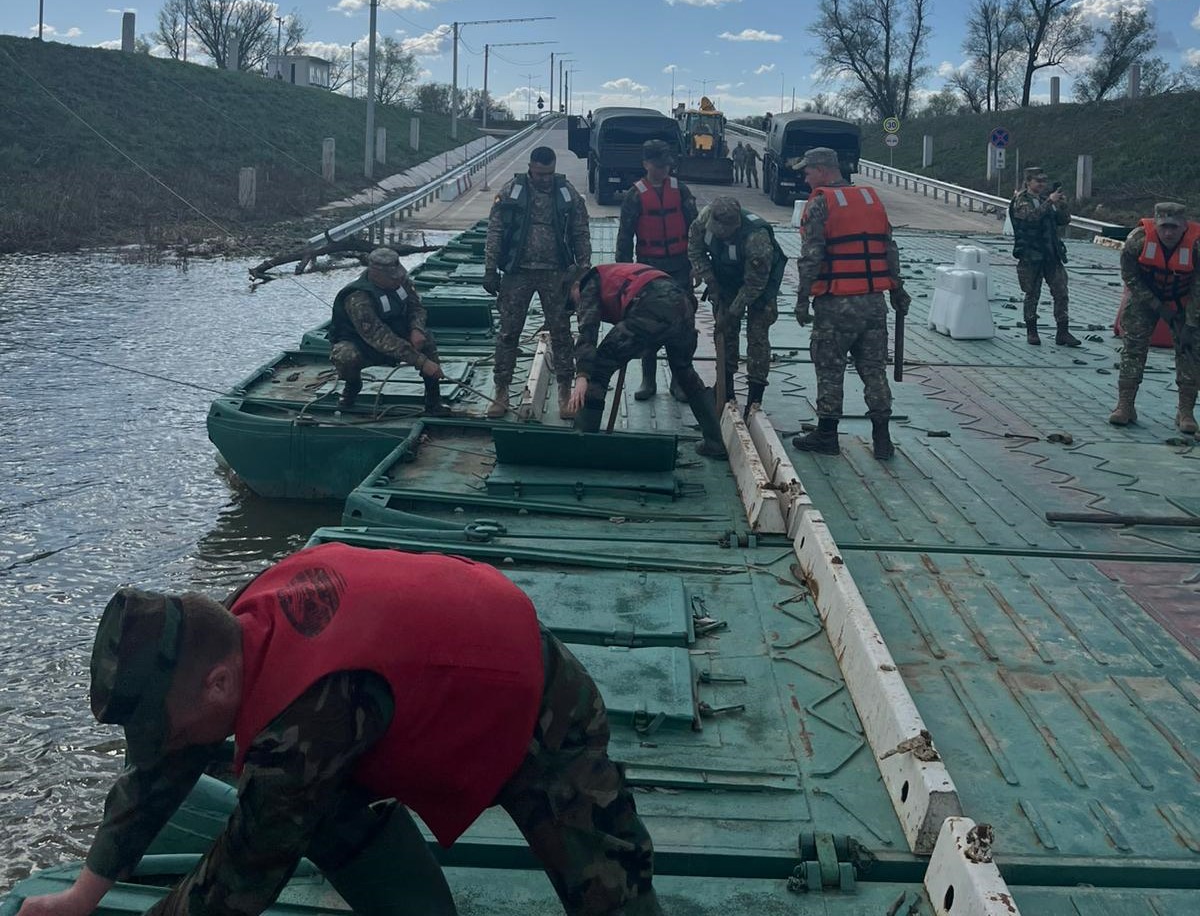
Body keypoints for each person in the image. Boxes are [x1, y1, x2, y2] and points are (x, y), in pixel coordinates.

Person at [22, 543, 663, 916]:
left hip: (534, 696)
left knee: (610, 894)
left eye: (167, 727)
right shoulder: (231, 626)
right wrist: (84, 894)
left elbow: (238, 880)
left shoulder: (304, 726)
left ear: (217, 684)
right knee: (320, 807)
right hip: (411, 683)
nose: (169, 745)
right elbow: (162, 768)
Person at [790, 147, 910, 460]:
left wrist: (803, 298)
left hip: (836, 303)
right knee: (874, 371)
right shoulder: (871, 200)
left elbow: (811, 256)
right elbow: (888, 248)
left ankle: (827, 436)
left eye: (807, 171)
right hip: (873, 302)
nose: (804, 177)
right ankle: (882, 440)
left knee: (830, 368)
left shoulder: (820, 203)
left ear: (822, 170)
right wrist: (897, 289)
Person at [567, 263, 727, 458]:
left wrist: (582, 375)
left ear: (575, 286)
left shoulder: (589, 283)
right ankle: (714, 443)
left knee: (599, 366)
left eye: (572, 302)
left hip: (651, 305)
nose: (577, 307)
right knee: (684, 371)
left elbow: (588, 330)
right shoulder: (615, 273)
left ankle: (583, 441)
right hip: (682, 303)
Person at [484, 146, 591, 420]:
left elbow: (580, 231)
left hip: (556, 273)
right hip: (517, 272)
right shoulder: (511, 192)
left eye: (549, 174)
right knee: (508, 333)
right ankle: (501, 391)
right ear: (530, 167)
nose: (544, 179)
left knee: (562, 335)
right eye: (540, 173)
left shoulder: (566, 193)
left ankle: (565, 393)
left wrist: (582, 270)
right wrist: (490, 268)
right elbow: (495, 230)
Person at [615, 139, 700, 402]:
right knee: (648, 324)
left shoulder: (681, 190)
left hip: (680, 267)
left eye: (666, 164)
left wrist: (696, 264)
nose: (664, 169)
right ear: (646, 164)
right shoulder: (634, 195)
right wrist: (625, 273)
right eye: (658, 164)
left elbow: (695, 228)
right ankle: (648, 380)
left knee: (683, 326)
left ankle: (679, 382)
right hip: (648, 269)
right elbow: (625, 236)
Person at [687, 196, 787, 417]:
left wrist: (733, 312)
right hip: (725, 278)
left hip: (760, 283)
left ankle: (755, 398)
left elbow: (755, 284)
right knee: (724, 333)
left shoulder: (756, 238)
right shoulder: (703, 221)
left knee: (758, 335)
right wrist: (712, 284)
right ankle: (725, 389)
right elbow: (695, 251)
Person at [1109, 202, 1200, 431]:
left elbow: (1199, 287)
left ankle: (1186, 412)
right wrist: (1158, 307)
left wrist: (1190, 323)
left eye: (1174, 227)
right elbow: (1129, 276)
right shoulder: (1137, 240)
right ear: (1156, 225)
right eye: (1164, 227)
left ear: (1184, 227)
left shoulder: (1197, 246)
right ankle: (1125, 405)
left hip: (1184, 299)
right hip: (1146, 296)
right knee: (1133, 347)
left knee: (1191, 350)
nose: (1168, 232)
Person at [329, 247, 450, 414]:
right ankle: (352, 385)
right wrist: (422, 362)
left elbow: (417, 307)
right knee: (345, 356)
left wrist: (417, 329)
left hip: (399, 333)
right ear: (376, 275)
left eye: (400, 275)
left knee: (427, 340)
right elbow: (379, 337)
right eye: (393, 278)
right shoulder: (358, 297)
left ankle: (433, 401)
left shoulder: (402, 282)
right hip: (364, 344)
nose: (398, 280)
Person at [1009, 167, 1081, 347]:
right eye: (1037, 181)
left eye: (1043, 181)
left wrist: (1062, 204)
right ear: (1028, 182)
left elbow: (1062, 220)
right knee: (1032, 293)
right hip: (1031, 254)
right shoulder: (1021, 200)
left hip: (1050, 253)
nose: (1041, 184)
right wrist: (1049, 201)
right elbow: (1030, 218)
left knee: (1061, 292)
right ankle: (1031, 330)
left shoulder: (1044, 200)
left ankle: (1062, 331)